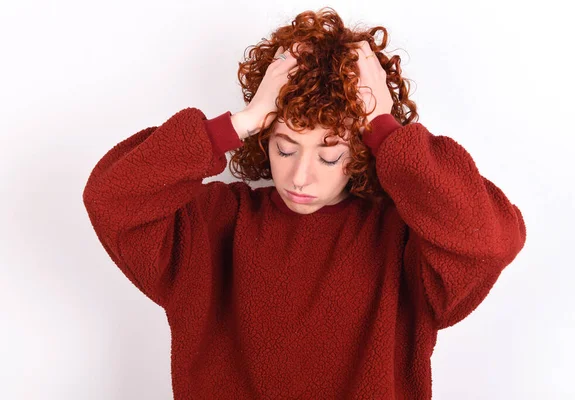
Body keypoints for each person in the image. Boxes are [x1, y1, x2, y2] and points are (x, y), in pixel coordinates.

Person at [82, 7, 527, 399]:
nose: (299, 176)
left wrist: (387, 132)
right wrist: (241, 121)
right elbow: (111, 198)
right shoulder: (214, 225)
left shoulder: (404, 238)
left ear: (361, 151)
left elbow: (488, 240)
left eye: (329, 154)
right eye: (284, 147)